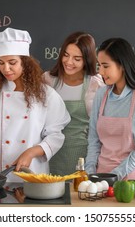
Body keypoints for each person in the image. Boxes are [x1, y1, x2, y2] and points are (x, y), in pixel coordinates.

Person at [0, 27, 70, 183]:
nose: (6, 69)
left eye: (12, 62)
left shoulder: (46, 94)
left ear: (26, 62)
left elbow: (56, 134)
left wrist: (32, 152)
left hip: (31, 173)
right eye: (1, 63)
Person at [85, 38, 135, 180]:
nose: (100, 71)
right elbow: (94, 139)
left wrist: (115, 175)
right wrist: (90, 173)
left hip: (129, 179)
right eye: (99, 65)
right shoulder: (101, 94)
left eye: (106, 66)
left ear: (123, 65)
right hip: (98, 177)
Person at [43, 32, 105, 176]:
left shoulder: (95, 83)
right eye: (66, 55)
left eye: (77, 58)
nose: (69, 62)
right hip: (49, 152)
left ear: (87, 60)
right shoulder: (47, 80)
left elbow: (100, 126)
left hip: (82, 154)